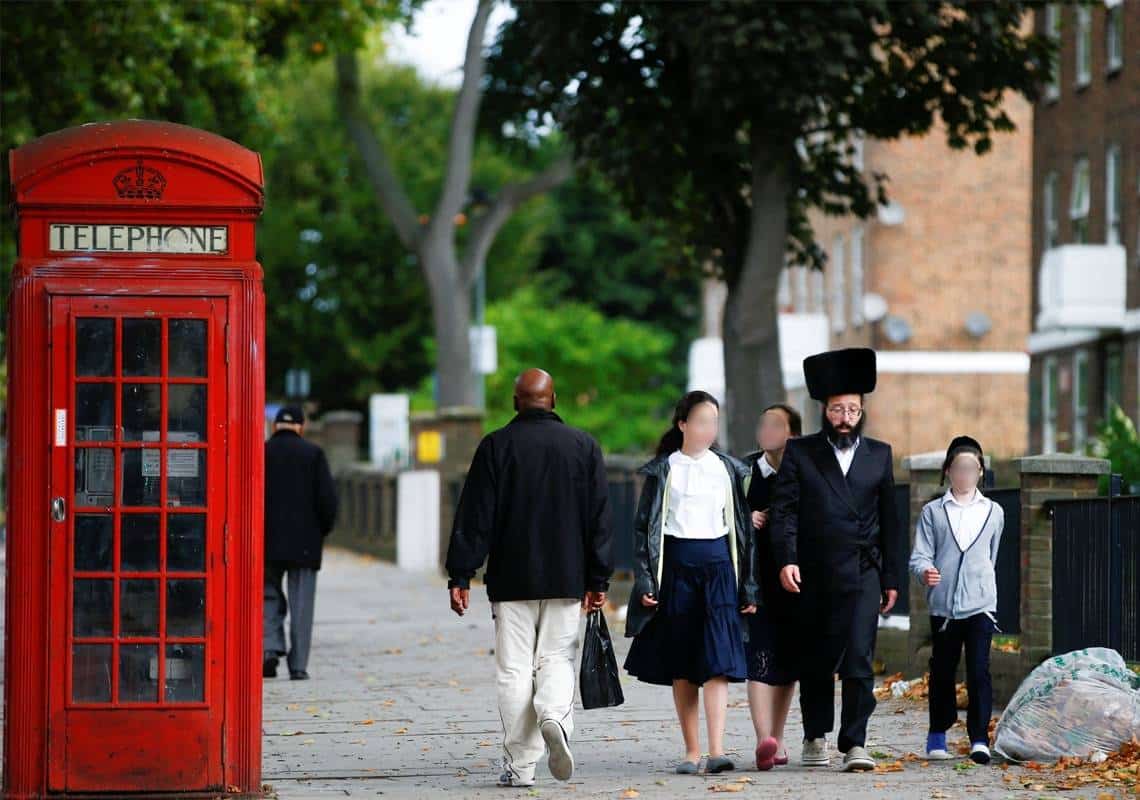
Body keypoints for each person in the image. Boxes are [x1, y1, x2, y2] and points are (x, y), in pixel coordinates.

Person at [445, 368, 613, 789]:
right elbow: (600, 520)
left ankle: (520, 766)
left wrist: (461, 574)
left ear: (516, 402)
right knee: (556, 658)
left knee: (514, 669)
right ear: (553, 400)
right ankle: (554, 714)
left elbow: (476, 514)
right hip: (568, 576)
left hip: (512, 577)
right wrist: (599, 578)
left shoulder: (496, 446)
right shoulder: (583, 446)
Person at [769, 348, 903, 772]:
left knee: (861, 657)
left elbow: (891, 520)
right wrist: (786, 559)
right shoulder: (801, 452)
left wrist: (892, 576)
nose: (844, 417)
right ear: (824, 411)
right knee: (818, 657)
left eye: (852, 409)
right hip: (814, 570)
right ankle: (814, 734)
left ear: (862, 411)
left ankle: (855, 743)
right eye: (836, 409)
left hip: (864, 569)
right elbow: (785, 511)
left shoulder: (879, 454)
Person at [623, 391, 759, 776]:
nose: (707, 429)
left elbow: (745, 532)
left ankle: (717, 750)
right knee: (683, 664)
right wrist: (647, 580)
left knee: (717, 661)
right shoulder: (663, 470)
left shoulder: (730, 469)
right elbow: (643, 530)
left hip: (719, 567)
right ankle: (691, 750)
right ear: (682, 424)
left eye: (713, 422)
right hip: (677, 567)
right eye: (700, 421)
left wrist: (749, 585)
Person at [909, 435, 1004, 765]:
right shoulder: (933, 512)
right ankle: (937, 733)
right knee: (943, 670)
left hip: (981, 605)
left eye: (972, 468)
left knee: (979, 670)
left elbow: (990, 557)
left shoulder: (994, 512)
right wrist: (926, 573)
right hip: (944, 607)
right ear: (948, 471)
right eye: (959, 468)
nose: (965, 474)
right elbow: (919, 556)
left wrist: (979, 586)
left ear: (980, 472)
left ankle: (979, 738)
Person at [741, 403, 802, 770]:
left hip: (794, 579)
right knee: (758, 658)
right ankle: (763, 737)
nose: (767, 429)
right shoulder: (745, 472)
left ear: (792, 434)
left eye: (776, 424)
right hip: (755, 580)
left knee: (788, 662)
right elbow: (725, 513)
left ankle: (777, 739)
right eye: (763, 423)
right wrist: (745, 517)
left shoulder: (803, 472)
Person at [263, 405, 339, 681]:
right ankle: (298, 666)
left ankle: (268, 649)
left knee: (266, 596)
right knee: (302, 605)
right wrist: (321, 532)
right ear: (301, 426)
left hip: (265, 541)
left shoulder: (260, 452)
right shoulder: (314, 454)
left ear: (275, 426)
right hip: (305, 543)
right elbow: (328, 502)